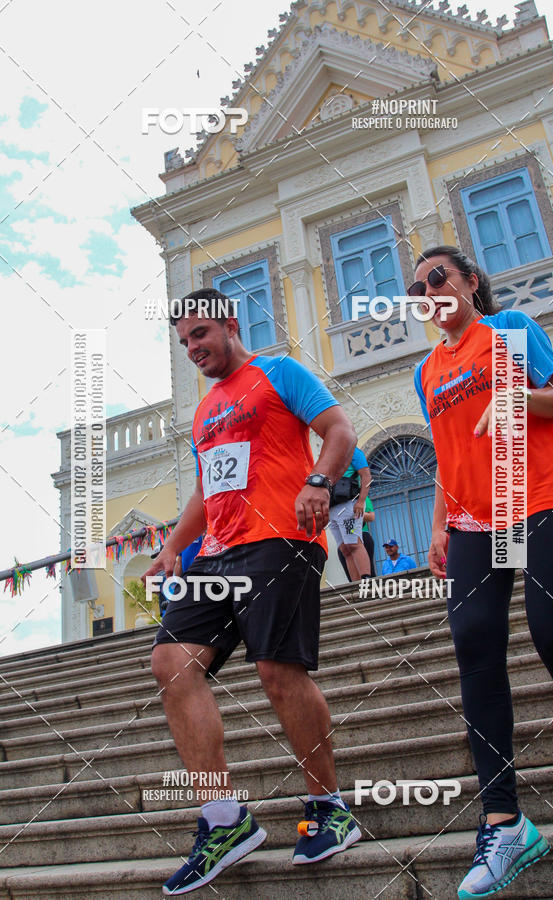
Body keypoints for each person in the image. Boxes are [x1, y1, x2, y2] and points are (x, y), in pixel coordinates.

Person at [142, 288, 361, 895]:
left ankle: (329, 808)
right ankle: (225, 820)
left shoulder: (278, 372)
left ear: (230, 325)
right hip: (218, 549)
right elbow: (204, 494)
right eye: (184, 341)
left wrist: (320, 479)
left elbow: (339, 428)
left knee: (277, 671)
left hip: (280, 539)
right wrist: (169, 549)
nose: (193, 348)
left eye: (201, 334)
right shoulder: (204, 409)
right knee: (170, 661)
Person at [412, 246, 553, 899]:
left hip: (540, 499)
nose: (428, 288)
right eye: (417, 286)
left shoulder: (512, 330)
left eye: (438, 276)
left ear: (469, 282)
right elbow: (444, 449)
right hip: (469, 523)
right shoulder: (426, 370)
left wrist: (514, 398)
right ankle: (505, 824)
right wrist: (437, 525)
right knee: (475, 649)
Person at [329, 446, 372, 581]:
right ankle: (355, 584)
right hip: (332, 505)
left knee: (353, 543)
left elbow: (366, 475)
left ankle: (366, 579)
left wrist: (361, 501)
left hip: (348, 503)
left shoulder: (352, 451)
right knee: (344, 548)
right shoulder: (328, 453)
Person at [337, 495, 376, 579]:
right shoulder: (334, 499)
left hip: (362, 535)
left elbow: (371, 516)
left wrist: (351, 513)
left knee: (368, 573)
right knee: (350, 575)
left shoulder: (361, 497)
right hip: (344, 540)